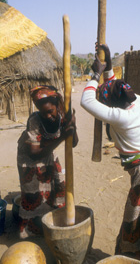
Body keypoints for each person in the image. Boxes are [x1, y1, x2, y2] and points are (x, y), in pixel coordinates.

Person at [80, 45, 140, 264]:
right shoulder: (136, 100)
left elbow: (86, 101)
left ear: (112, 105)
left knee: (133, 227)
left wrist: (94, 75)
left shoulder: (121, 118)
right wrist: (108, 63)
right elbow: (113, 85)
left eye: (106, 100)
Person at [17, 85, 78, 239]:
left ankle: (54, 220)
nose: (48, 116)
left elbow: (74, 142)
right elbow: (34, 153)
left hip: (49, 150)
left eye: (50, 111)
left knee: (59, 185)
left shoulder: (64, 114)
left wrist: (72, 127)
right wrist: (62, 137)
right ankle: (31, 230)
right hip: (30, 158)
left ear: (57, 105)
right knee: (34, 193)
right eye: (43, 113)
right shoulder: (35, 120)